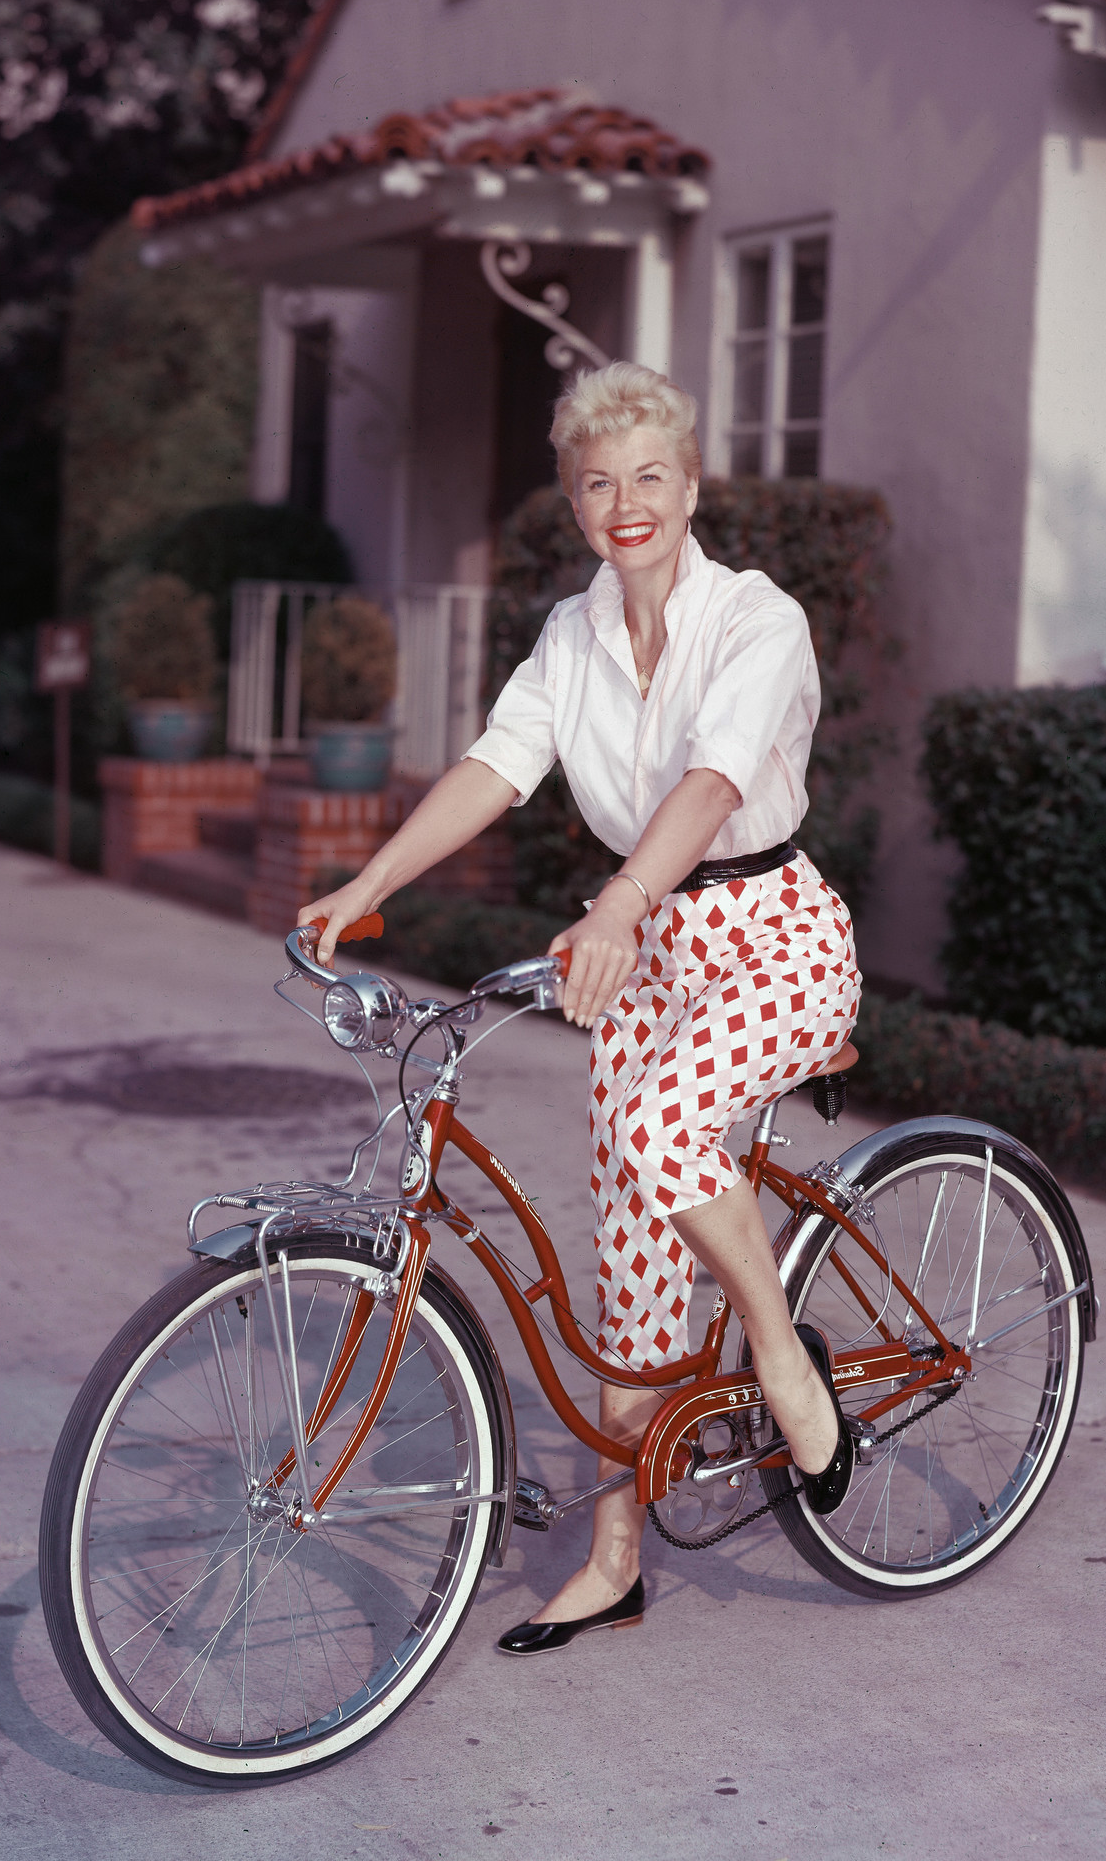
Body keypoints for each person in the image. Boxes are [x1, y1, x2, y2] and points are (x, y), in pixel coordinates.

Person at [301, 360, 861, 1654]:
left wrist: (612, 908)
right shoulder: (572, 634)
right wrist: (370, 881)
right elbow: (498, 766)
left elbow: (717, 785)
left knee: (666, 1137)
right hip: (652, 948)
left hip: (774, 934)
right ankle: (617, 1555)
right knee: (628, 1242)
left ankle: (782, 1359)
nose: (627, 505)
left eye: (650, 478)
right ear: (574, 500)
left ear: (692, 484)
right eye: (598, 483)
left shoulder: (757, 618)